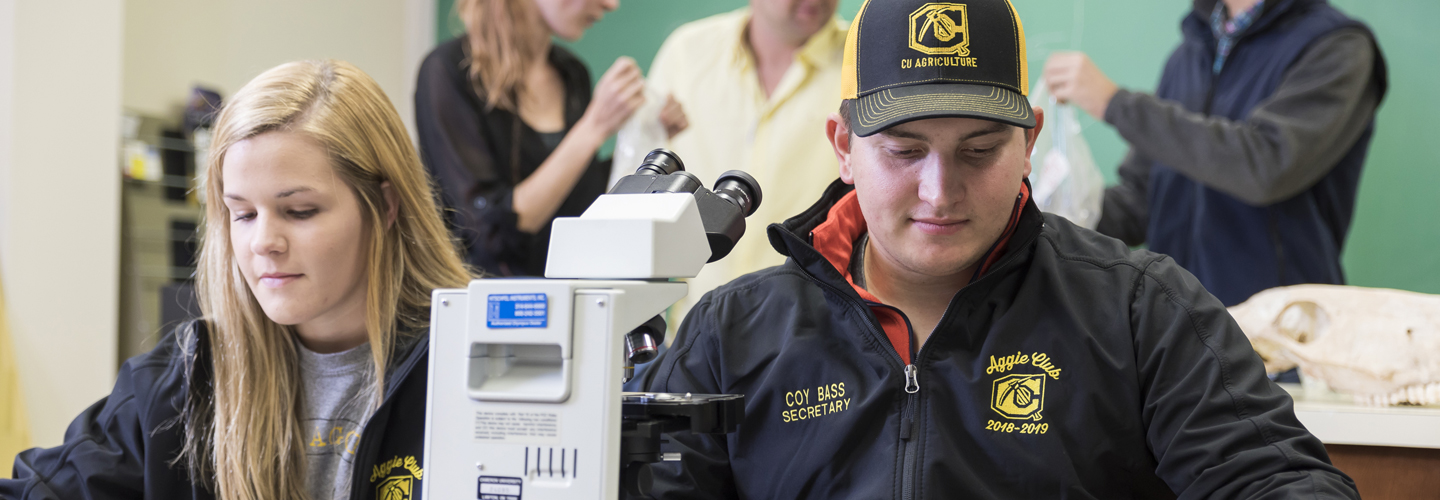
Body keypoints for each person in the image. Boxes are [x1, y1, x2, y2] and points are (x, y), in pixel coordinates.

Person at [635, 0, 1357, 497]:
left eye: (978, 151)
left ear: (1030, 142)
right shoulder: (732, 334)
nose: (939, 191)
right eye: (905, 151)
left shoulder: (1142, 313)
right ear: (844, 148)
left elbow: (1280, 480)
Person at [2, 60, 472, 500]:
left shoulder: (476, 362)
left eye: (300, 211)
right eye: (243, 214)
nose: (264, 241)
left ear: (386, 206)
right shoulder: (185, 379)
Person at [1044, 0, 1387, 306]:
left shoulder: (1337, 46)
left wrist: (1114, 104)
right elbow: (1143, 201)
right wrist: (1055, 212)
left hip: (1282, 336)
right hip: (1179, 329)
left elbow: (1267, 167)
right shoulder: (1188, 55)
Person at [416, 0, 687, 277]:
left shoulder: (572, 73)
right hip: (490, 308)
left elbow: (581, 201)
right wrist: (594, 126)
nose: (611, 4)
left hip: (574, 298)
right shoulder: (447, 71)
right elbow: (488, 233)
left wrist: (652, 135)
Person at [645, 0, 847, 317]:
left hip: (818, 326)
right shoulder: (687, 53)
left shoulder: (863, 61)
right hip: (695, 324)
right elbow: (644, 190)